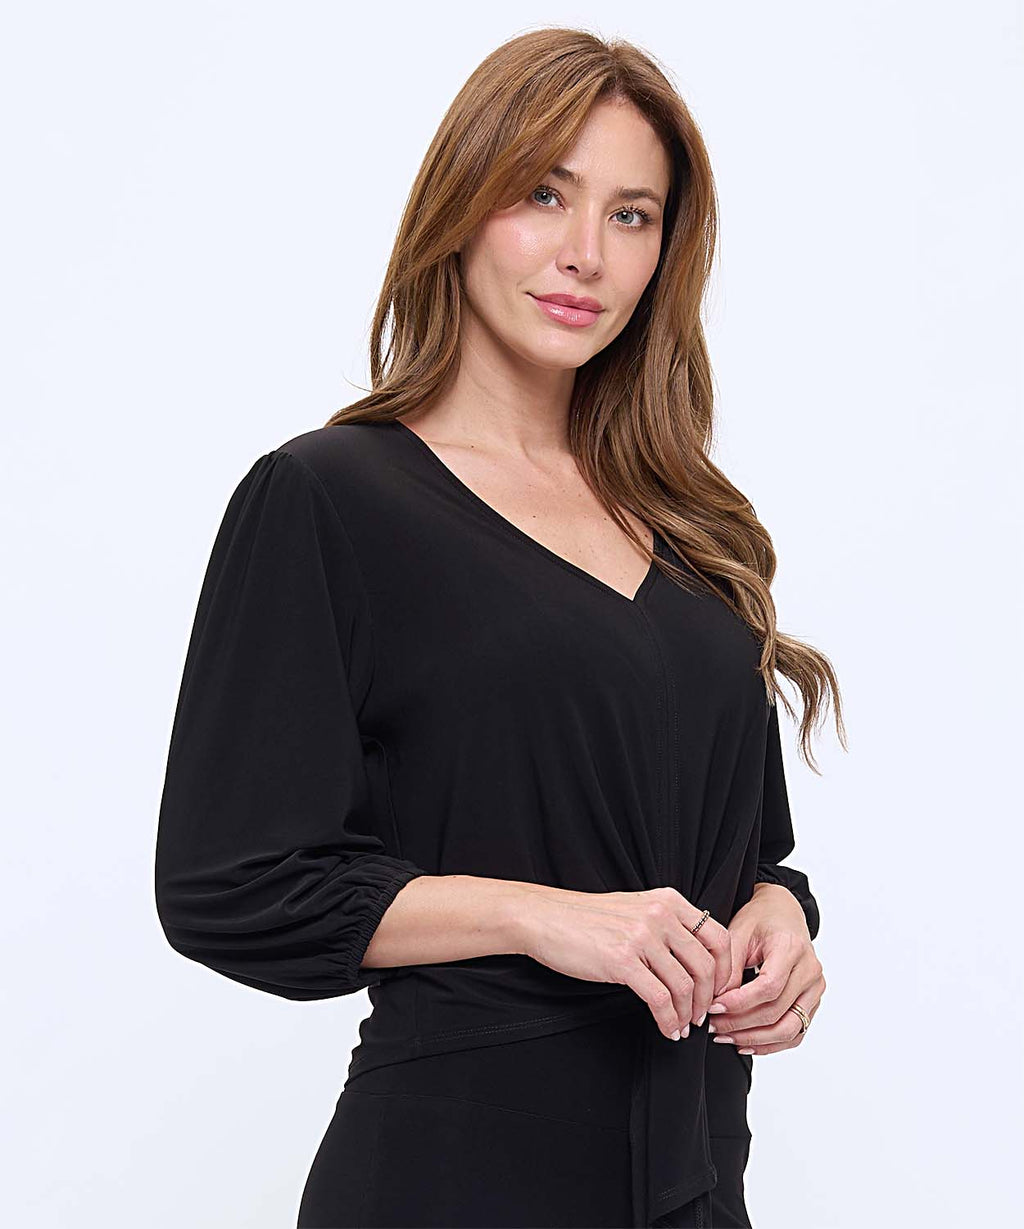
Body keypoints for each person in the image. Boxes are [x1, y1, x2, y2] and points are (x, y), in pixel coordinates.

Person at [154, 27, 840, 1229]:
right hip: (454, 1174)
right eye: (542, 194)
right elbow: (231, 882)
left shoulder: (689, 523)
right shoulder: (327, 498)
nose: (586, 254)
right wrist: (541, 914)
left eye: (632, 215)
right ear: (462, 206)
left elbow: (742, 850)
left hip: (692, 1177)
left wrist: (779, 917)